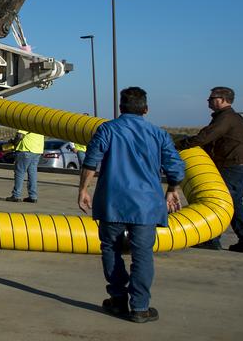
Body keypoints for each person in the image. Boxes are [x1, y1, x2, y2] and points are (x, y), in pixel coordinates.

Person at [78, 86, 184, 324]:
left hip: (112, 201)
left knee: (111, 249)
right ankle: (140, 307)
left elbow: (91, 162)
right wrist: (172, 189)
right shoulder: (158, 134)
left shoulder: (107, 129)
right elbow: (175, 167)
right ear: (145, 109)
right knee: (142, 254)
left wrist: (83, 190)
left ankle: (117, 299)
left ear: (120, 108)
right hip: (146, 204)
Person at [177, 86, 243, 252]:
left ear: (222, 100)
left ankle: (216, 239)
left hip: (234, 166)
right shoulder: (233, 118)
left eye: (211, 98)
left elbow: (206, 137)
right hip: (242, 166)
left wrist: (180, 145)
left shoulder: (225, 118)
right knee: (233, 202)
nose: (208, 101)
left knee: (220, 202)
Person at [7, 128, 44, 203]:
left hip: (25, 150)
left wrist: (14, 142)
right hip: (37, 151)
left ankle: (16, 195)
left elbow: (20, 135)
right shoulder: (40, 124)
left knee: (20, 173)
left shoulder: (27, 122)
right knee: (32, 174)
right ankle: (33, 196)